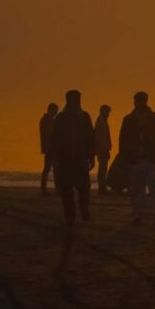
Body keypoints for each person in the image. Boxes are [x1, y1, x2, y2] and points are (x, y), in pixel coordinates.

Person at [119, 91, 155, 226]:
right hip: (135, 160)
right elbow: (123, 141)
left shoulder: (154, 119)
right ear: (134, 102)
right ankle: (137, 215)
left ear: (145, 101)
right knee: (136, 189)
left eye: (142, 100)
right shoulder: (128, 120)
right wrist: (124, 159)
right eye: (138, 101)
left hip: (151, 159)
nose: (140, 103)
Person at [51, 89, 95, 225]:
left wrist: (92, 156)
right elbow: (55, 139)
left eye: (78, 99)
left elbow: (91, 138)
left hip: (81, 158)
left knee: (84, 187)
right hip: (65, 159)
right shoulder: (61, 118)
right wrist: (55, 158)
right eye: (75, 99)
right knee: (67, 189)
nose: (77, 102)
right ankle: (70, 215)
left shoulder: (85, 117)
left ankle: (83, 208)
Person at [39, 102, 59, 196]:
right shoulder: (47, 120)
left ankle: (46, 189)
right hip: (51, 148)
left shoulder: (47, 120)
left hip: (49, 148)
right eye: (55, 111)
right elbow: (50, 134)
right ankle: (48, 190)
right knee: (51, 169)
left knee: (50, 169)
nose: (56, 113)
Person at [94, 104, 112, 195]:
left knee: (103, 168)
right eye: (107, 112)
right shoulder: (100, 122)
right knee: (102, 168)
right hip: (102, 149)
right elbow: (99, 137)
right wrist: (104, 148)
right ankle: (102, 188)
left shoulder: (102, 121)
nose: (108, 114)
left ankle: (102, 187)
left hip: (103, 148)